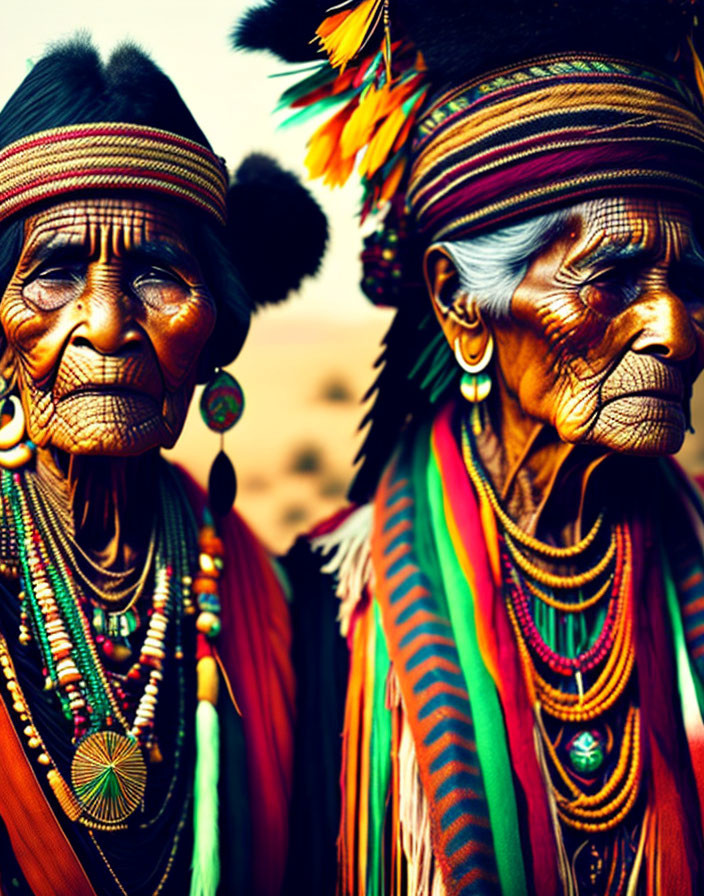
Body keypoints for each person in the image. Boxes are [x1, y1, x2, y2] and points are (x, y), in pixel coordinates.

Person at [237, 1, 704, 893]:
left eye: (690, 282)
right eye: (608, 277)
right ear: (459, 305)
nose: (674, 332)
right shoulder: (317, 614)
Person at [0, 37, 327, 896]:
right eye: (56, 273)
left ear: (215, 334)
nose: (107, 322)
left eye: (156, 275)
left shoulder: (284, 603)